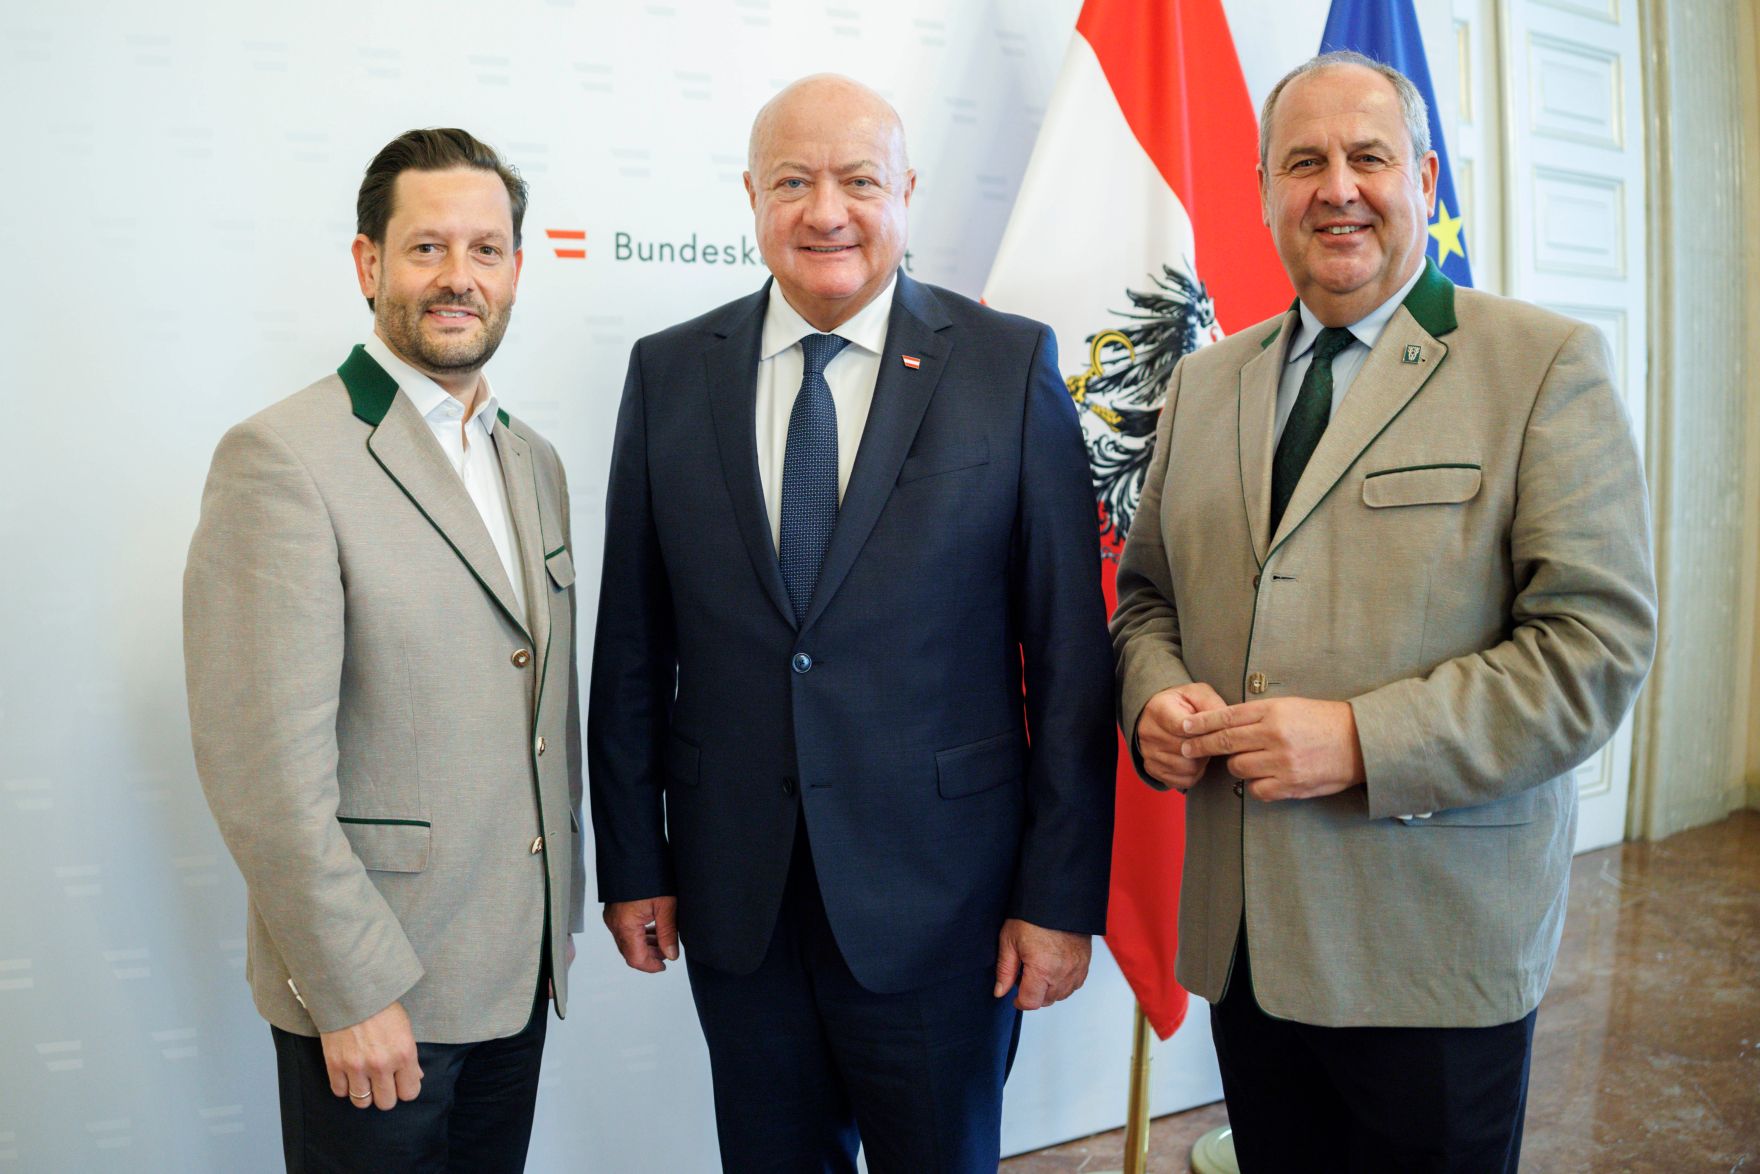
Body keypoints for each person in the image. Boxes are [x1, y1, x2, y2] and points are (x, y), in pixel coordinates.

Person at [1111, 51, 1657, 1172]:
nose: (1335, 188)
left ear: (1421, 175)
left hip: (1431, 950)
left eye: (1367, 157)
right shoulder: (1203, 384)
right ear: (1263, 186)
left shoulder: (1540, 364)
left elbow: (1592, 650)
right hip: (1247, 939)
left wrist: (1362, 740)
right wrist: (1152, 695)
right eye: (1302, 162)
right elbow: (1146, 598)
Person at [588, 74, 1115, 1171]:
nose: (825, 210)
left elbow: (1069, 660)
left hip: (946, 907)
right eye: (792, 181)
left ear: (906, 193)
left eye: (857, 180)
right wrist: (633, 858)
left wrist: (1058, 897)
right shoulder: (669, 373)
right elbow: (634, 646)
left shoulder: (1006, 366)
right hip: (740, 903)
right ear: (750, 196)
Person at [183, 128, 583, 1173]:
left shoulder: (531, 460)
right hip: (375, 993)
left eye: (486, 250)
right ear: (369, 265)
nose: (459, 278)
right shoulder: (282, 459)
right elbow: (265, 778)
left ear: (516, 269)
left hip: (513, 974)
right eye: (427, 248)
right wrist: (351, 987)